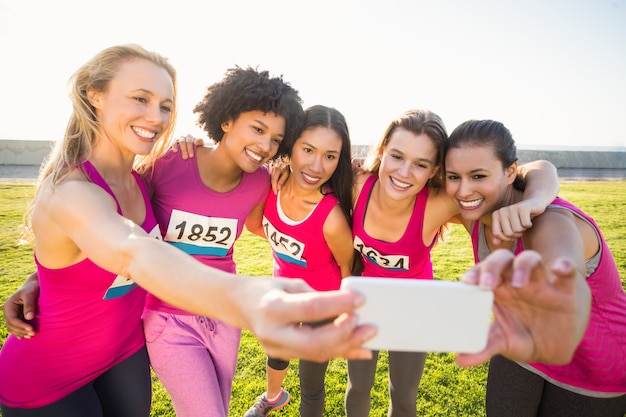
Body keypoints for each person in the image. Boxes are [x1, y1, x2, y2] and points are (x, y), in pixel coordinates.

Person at [0, 44, 376, 417]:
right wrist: (244, 298)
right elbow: (132, 250)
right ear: (93, 95)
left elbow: (92, 244)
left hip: (126, 355)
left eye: (165, 106)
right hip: (62, 367)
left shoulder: (140, 179)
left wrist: (42, 276)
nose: (156, 117)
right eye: (140, 99)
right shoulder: (124, 177)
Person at [344, 109, 561, 417]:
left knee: (403, 396)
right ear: (381, 152)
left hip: (413, 311)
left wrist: (535, 201)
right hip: (366, 303)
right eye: (396, 156)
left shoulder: (440, 204)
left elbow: (540, 168)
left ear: (435, 170)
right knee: (358, 388)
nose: (405, 172)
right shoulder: (357, 185)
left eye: (421, 164)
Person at [140, 65, 306, 417]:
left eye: (276, 139)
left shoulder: (260, 183)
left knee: (216, 409)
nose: (265, 146)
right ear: (227, 119)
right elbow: (113, 216)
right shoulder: (168, 164)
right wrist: (38, 279)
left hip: (225, 317)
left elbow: (271, 228)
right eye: (258, 129)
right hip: (169, 319)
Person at [445, 119, 626, 417]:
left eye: (478, 175)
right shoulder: (473, 213)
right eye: (454, 176)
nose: (464, 190)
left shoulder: (550, 221)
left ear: (511, 172)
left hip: (596, 363)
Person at [243, 105, 356, 417]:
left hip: (322, 304)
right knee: (276, 350)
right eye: (308, 149)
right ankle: (272, 396)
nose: (317, 165)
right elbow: (256, 225)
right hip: (284, 293)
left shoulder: (331, 217)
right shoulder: (270, 187)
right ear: (291, 145)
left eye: (330, 156)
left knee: (311, 382)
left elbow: (348, 269)